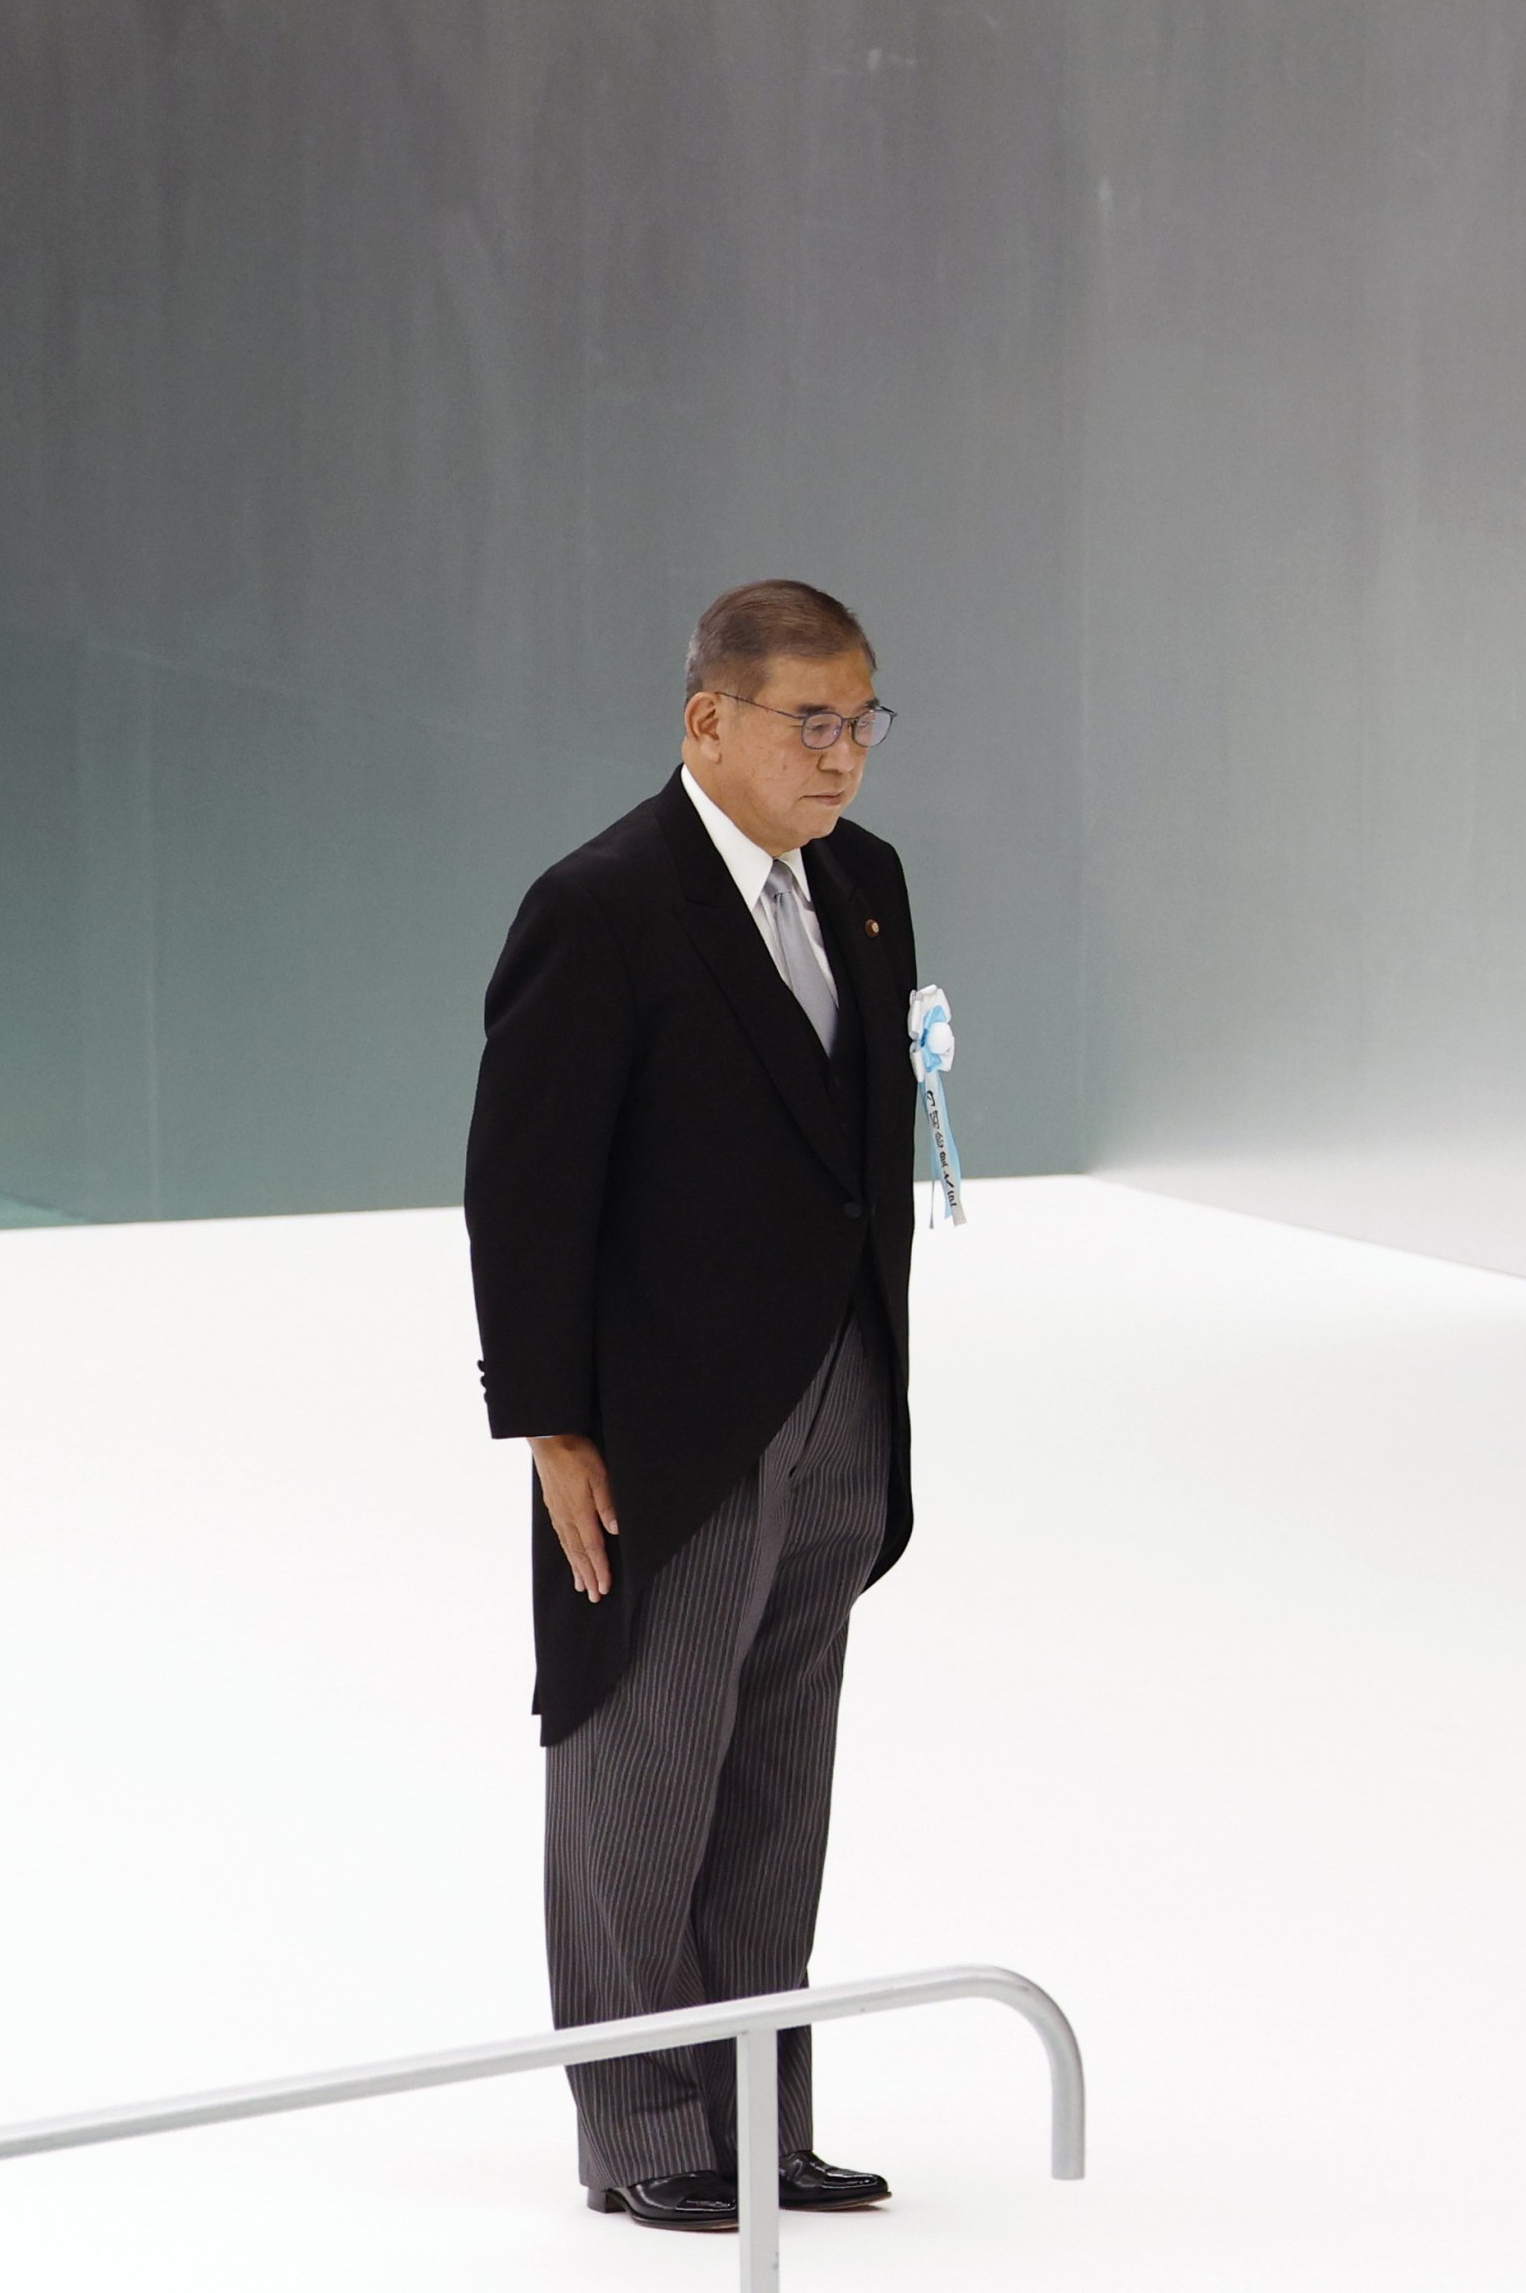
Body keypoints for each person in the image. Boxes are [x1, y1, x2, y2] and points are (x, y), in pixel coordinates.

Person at [463, 580, 922, 2233]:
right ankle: (644, 2119)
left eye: (863, 718)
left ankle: (760, 2109)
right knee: (642, 1765)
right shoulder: (604, 905)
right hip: (664, 1421)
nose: (844, 754)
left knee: (779, 1770)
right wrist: (552, 1422)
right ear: (705, 720)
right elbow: (523, 1185)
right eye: (810, 719)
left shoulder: (863, 890)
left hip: (842, 1397)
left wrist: (876, 1378)